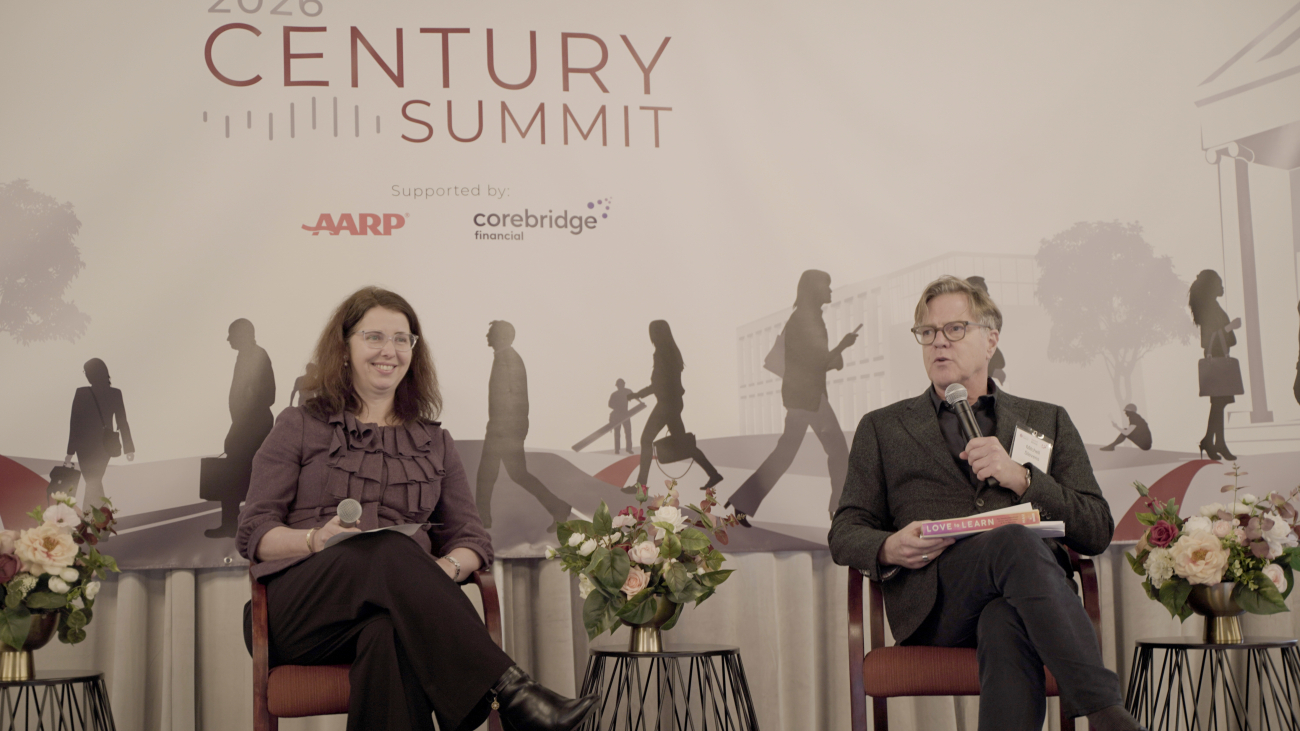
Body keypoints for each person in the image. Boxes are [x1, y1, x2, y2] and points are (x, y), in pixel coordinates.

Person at [237, 288, 597, 731]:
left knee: (390, 634)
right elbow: (255, 531)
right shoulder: (298, 425)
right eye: (374, 337)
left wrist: (439, 572)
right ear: (344, 348)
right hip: (300, 615)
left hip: (395, 615)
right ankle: (511, 690)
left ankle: (514, 695)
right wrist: (315, 540)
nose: (389, 350)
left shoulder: (435, 442)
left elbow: (472, 538)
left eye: (402, 339)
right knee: (386, 549)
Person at [828, 276, 1143, 731]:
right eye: (927, 332)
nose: (939, 342)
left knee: (1003, 621)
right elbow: (845, 530)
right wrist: (889, 547)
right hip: (937, 605)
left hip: (1030, 603)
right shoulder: (883, 427)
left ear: (991, 340)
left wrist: (1022, 479)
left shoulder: (1048, 419)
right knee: (1012, 540)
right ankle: (1106, 712)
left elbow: (1095, 529)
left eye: (954, 329)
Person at [726, 270, 857, 521]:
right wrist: (843, 346)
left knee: (785, 454)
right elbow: (816, 364)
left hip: (802, 397)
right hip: (810, 399)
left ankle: (742, 502)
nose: (830, 290)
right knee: (839, 453)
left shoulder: (802, 317)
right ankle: (840, 510)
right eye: (826, 286)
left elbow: (809, 362)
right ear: (815, 289)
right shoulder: (808, 320)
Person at [474, 320, 573, 531]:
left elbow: (515, 398)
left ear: (502, 336)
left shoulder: (508, 358)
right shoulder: (506, 357)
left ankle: (481, 520)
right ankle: (558, 508)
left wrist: (505, 429)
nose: (487, 336)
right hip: (505, 428)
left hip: (504, 429)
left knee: (490, 474)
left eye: (491, 333)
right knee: (509, 474)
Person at [626, 320, 723, 492]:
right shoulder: (672, 351)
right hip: (674, 403)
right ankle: (713, 474)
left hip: (666, 405)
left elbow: (658, 384)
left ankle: (641, 486)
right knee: (684, 444)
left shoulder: (661, 353)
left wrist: (637, 394)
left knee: (646, 440)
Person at [207, 319, 276, 538]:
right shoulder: (247, 355)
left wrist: (239, 427)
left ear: (243, 334)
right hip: (246, 424)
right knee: (238, 475)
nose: (228, 339)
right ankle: (233, 524)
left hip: (252, 426)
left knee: (243, 475)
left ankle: (240, 525)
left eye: (232, 334)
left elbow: (267, 395)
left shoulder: (256, 356)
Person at [63, 358, 134, 509]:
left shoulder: (81, 393)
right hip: (105, 445)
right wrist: (129, 449)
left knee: (92, 481)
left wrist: (70, 452)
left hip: (84, 447)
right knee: (94, 481)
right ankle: (99, 516)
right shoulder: (115, 393)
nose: (86, 375)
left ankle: (92, 516)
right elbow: (122, 422)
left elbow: (74, 424)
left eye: (86, 372)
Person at [1187, 270, 1242, 460]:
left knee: (1219, 404)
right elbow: (1208, 337)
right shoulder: (1209, 307)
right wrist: (1230, 326)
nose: (1222, 287)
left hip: (1219, 359)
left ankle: (1213, 441)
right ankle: (1214, 442)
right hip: (1216, 360)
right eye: (1219, 283)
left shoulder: (1211, 306)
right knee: (1218, 404)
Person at [608, 378, 635, 454]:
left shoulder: (627, 391)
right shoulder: (615, 394)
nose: (620, 386)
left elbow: (635, 397)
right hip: (618, 416)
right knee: (618, 433)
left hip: (625, 415)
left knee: (627, 432)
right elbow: (610, 404)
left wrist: (641, 403)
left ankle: (627, 449)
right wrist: (617, 408)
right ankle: (618, 450)